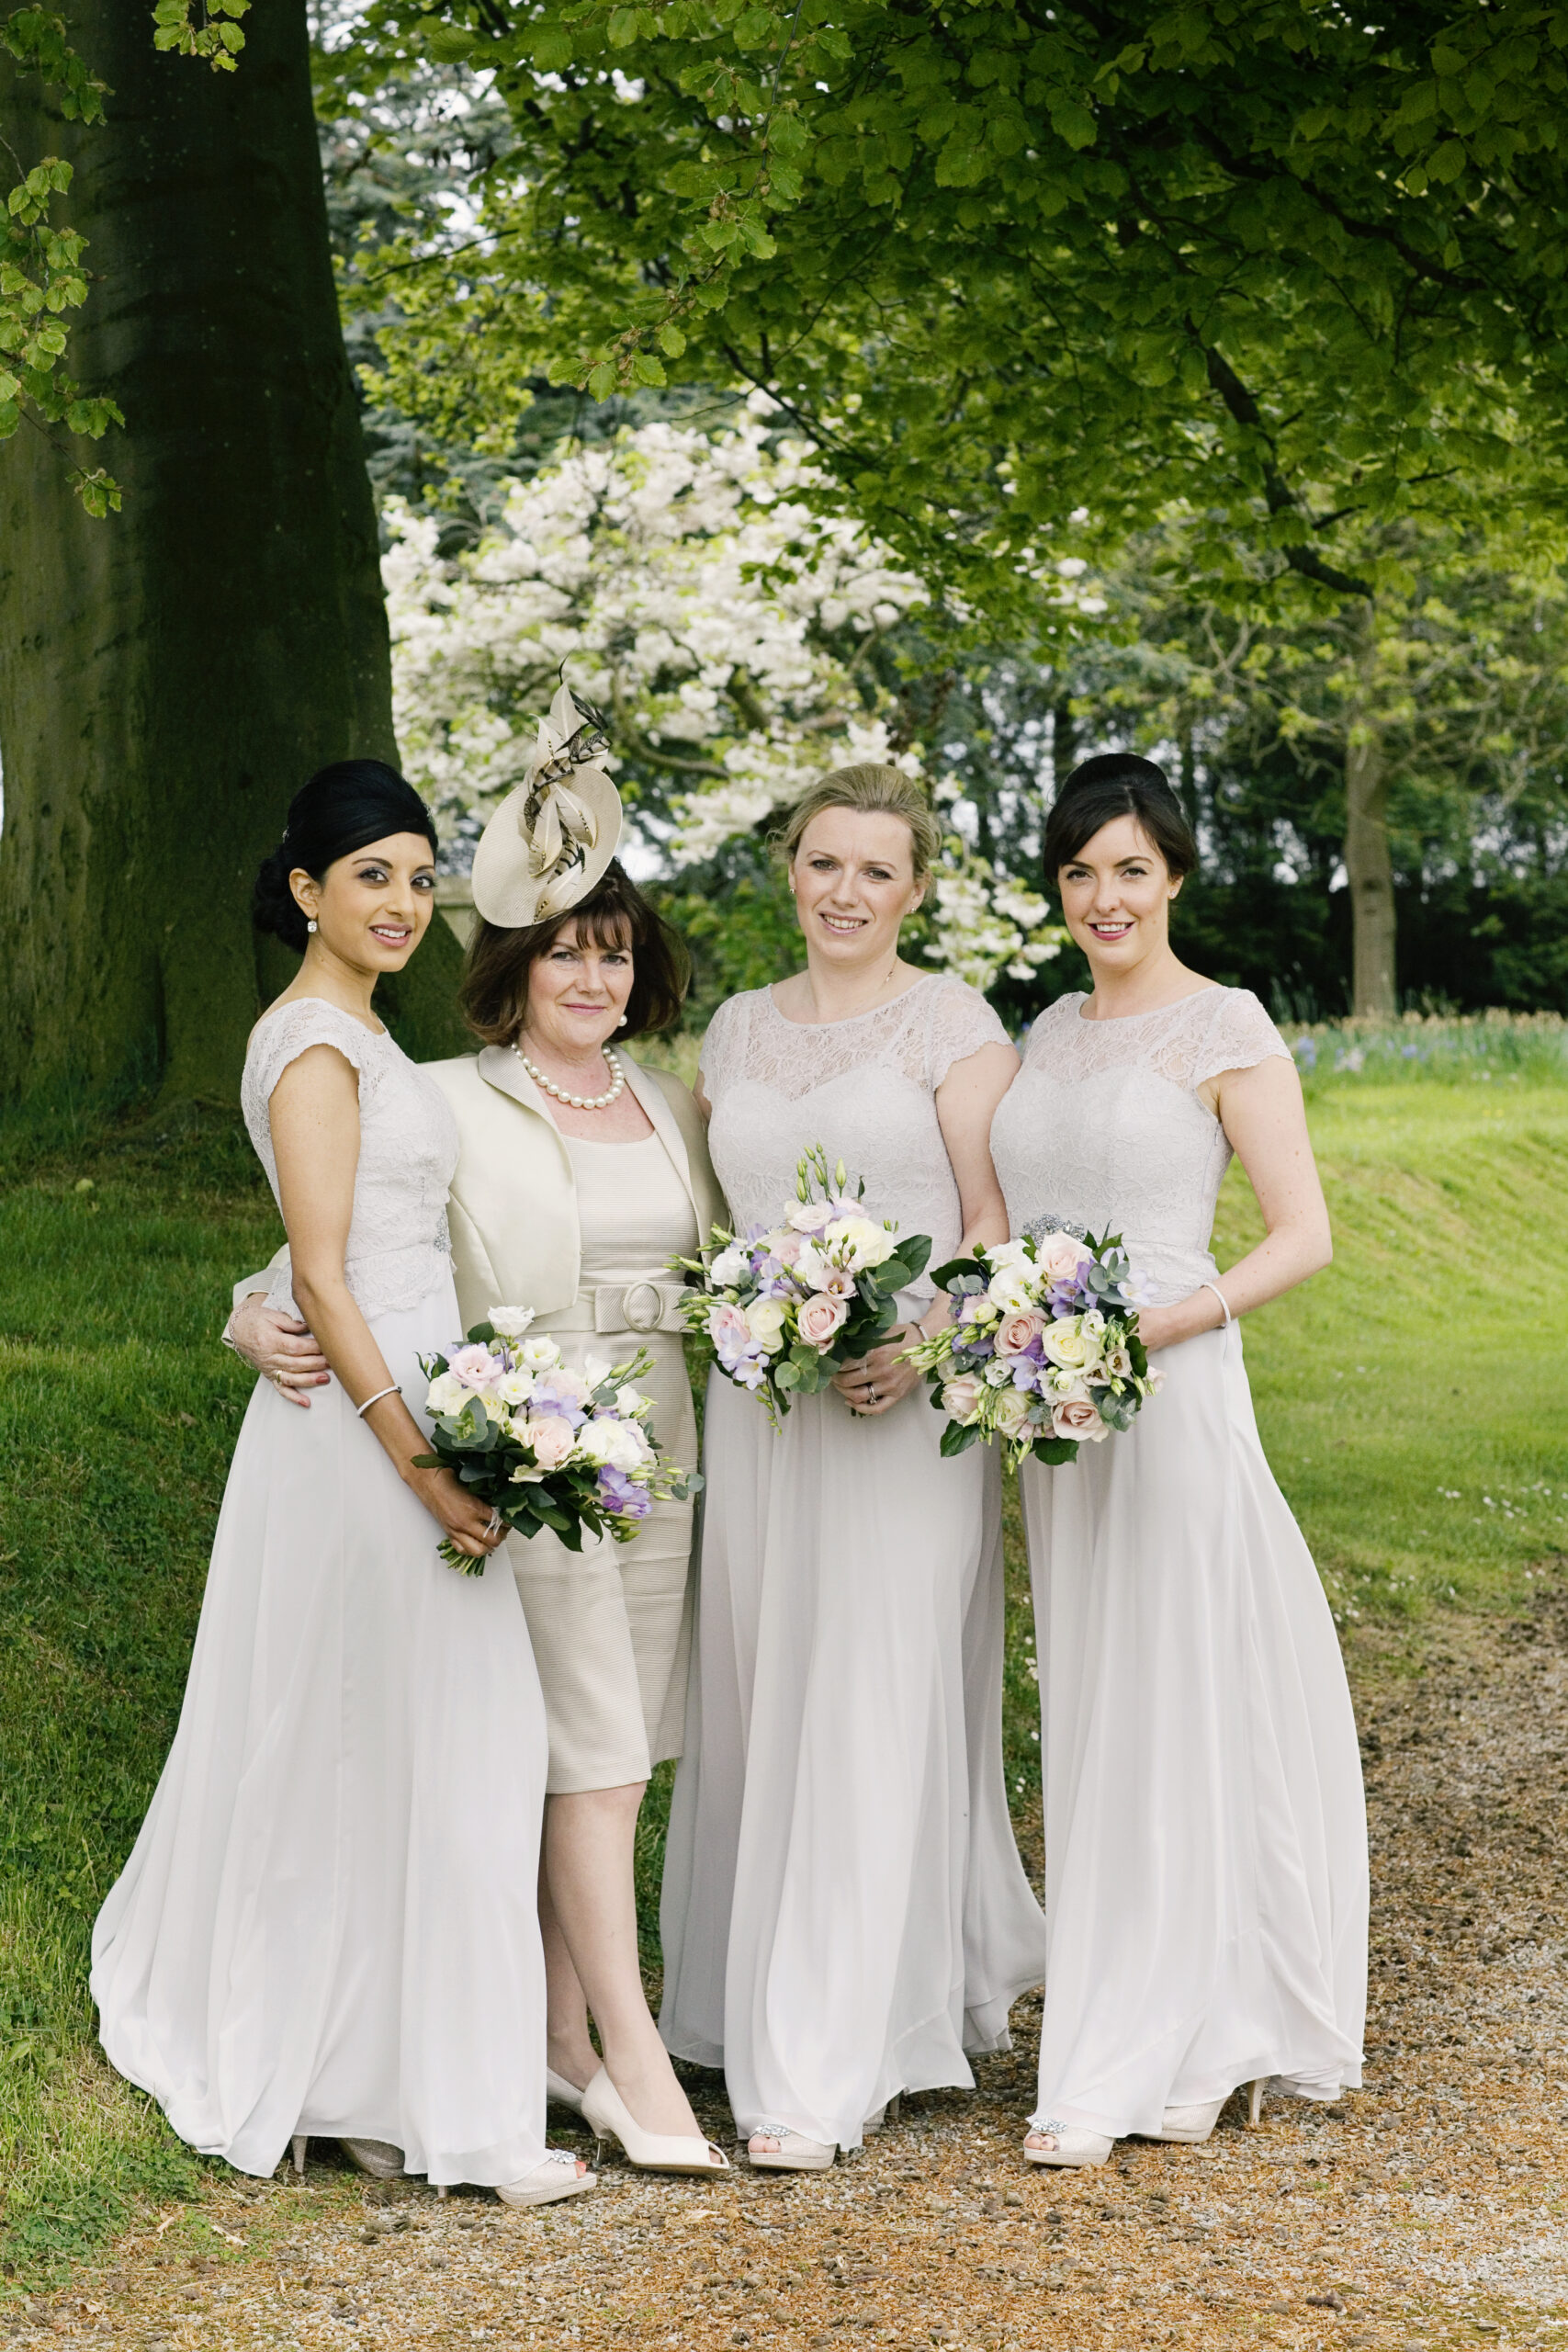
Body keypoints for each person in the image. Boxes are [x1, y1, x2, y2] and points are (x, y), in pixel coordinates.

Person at [228, 689, 728, 2177]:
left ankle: (557, 2040)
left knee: (617, 1755)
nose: (591, 973)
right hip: (525, 1451)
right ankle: (624, 2059)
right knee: (584, 1755)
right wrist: (247, 1310)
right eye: (564, 949)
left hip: (661, 1455)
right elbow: (337, 1239)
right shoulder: (443, 1093)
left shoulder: (679, 1108)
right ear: (513, 962)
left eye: (613, 952)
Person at [91, 759, 592, 2207]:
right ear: (306, 890)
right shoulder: (313, 1042)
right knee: (402, 1735)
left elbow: (336, 1249)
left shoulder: (365, 1032)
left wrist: (255, 1313)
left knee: (423, 1741)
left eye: (421, 877)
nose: (403, 901)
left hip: (409, 1389)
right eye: (372, 875)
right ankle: (411, 2094)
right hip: (367, 1436)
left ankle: (386, 2079)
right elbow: (322, 1271)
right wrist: (426, 1469)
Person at [658, 762, 1048, 2172]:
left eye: (877, 870)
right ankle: (740, 2004)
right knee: (764, 1692)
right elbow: (702, 1219)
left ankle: (829, 2060)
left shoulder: (956, 1026)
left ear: (916, 889)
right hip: (766, 1416)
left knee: (872, 1692)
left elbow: (992, 1222)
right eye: (825, 863)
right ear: (791, 869)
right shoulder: (736, 1031)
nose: (845, 891)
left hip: (898, 1415)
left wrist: (926, 1342)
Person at [987, 752, 1368, 2170]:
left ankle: (1193, 2037)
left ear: (1176, 877)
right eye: (1081, 872)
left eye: (1131, 870)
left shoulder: (1227, 1026)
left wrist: (1156, 1325)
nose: (1105, 897)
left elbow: (1302, 1234)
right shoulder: (1047, 1031)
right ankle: (1131, 2009)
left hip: (1173, 1384)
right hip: (1054, 1408)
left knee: (1176, 1691)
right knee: (1094, 1700)